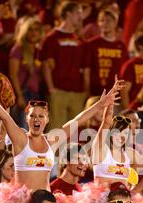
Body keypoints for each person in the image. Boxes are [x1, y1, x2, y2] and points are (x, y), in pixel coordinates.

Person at [0, 69, 122, 192]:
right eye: (33, 116)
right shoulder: (21, 139)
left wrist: (101, 104)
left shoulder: (52, 140)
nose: (37, 119)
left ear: (47, 120)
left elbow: (77, 120)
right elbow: (5, 117)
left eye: (41, 116)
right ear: (27, 119)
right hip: (21, 202)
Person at [92, 96, 143, 193]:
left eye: (126, 133)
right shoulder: (101, 149)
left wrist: (134, 191)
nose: (122, 136)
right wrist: (109, 104)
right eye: (119, 132)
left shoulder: (129, 153)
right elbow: (106, 122)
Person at [39, 1, 86, 129]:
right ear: (68, 14)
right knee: (56, 130)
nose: (81, 16)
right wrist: (51, 88)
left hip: (77, 92)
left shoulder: (80, 40)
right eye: (78, 13)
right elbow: (46, 65)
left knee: (76, 132)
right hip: (58, 90)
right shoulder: (52, 37)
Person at [83, 9, 128, 97]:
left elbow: (124, 74)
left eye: (108, 20)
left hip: (115, 95)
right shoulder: (91, 44)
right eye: (101, 20)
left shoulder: (121, 46)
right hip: (95, 93)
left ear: (115, 23)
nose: (104, 24)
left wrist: (123, 95)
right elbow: (86, 70)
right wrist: (87, 91)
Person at [9, 17, 43, 125]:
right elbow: (13, 74)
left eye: (36, 29)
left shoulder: (39, 51)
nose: (33, 33)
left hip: (36, 95)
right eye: (30, 30)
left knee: (35, 128)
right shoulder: (18, 49)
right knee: (24, 127)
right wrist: (19, 96)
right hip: (24, 93)